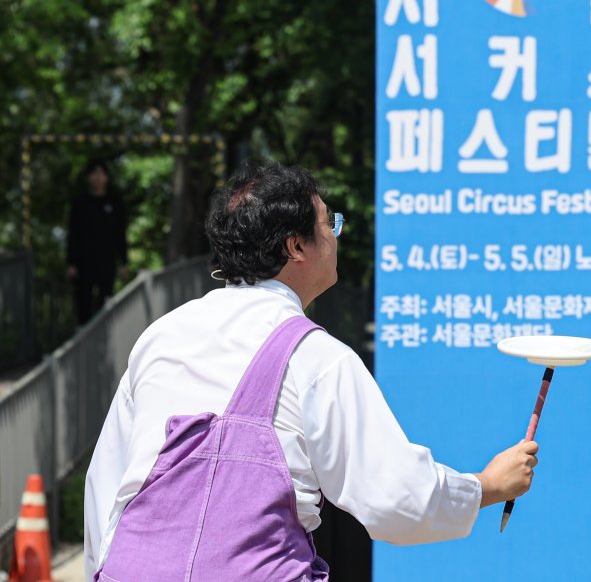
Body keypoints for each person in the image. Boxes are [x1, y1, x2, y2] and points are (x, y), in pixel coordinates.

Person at [84, 160, 538, 580]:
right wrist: (488, 486)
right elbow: (399, 499)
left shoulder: (161, 335)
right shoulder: (316, 358)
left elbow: (106, 486)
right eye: (329, 223)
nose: (336, 235)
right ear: (296, 246)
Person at [67, 159, 128, 324]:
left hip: (107, 261)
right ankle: (82, 333)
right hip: (83, 262)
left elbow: (120, 234)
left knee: (105, 299)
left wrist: (123, 262)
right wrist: (71, 263)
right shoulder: (79, 203)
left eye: (101, 173)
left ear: (106, 177)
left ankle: (104, 337)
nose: (98, 177)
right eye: (94, 173)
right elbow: (73, 235)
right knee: (83, 300)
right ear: (88, 177)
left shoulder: (115, 203)